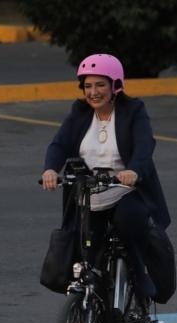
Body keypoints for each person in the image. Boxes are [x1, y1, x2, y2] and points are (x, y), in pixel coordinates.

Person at [41, 53, 170, 300]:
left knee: (128, 221)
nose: (93, 92)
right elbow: (59, 143)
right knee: (86, 246)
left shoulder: (133, 110)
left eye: (100, 84)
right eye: (87, 86)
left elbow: (145, 145)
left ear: (115, 85)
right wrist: (50, 169)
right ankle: (85, 305)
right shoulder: (79, 112)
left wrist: (133, 170)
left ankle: (139, 273)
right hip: (90, 190)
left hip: (126, 189)